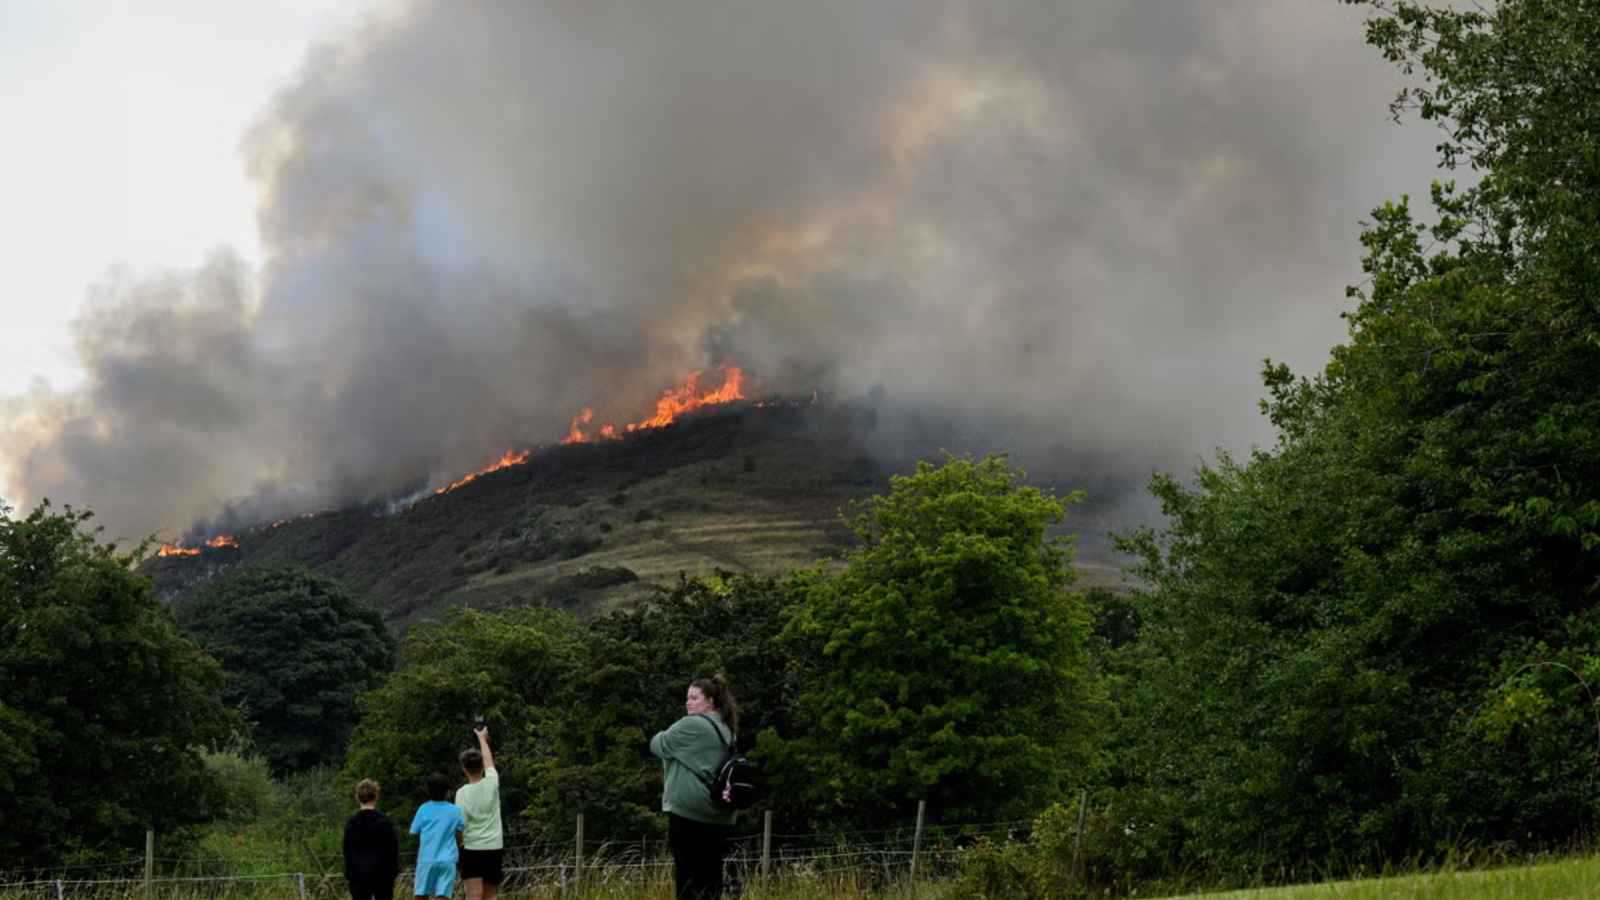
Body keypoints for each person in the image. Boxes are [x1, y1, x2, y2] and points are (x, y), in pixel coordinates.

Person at [649, 674, 739, 900]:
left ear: (710, 701)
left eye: (694, 697)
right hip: (718, 815)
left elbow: (658, 744)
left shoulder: (693, 724)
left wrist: (674, 751)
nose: (688, 702)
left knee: (687, 878)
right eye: (687, 698)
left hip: (689, 813)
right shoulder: (726, 729)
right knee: (710, 879)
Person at [455, 725, 504, 900]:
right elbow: (489, 760)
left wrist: (460, 844)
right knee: (490, 895)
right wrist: (482, 738)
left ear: (464, 769)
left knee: (474, 895)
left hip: (471, 848)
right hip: (494, 846)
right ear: (482, 766)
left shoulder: (461, 793)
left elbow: (460, 825)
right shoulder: (492, 783)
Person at [408, 772, 464, 900]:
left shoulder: (423, 809)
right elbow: (459, 833)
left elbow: (414, 831)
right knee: (443, 895)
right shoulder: (455, 810)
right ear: (447, 791)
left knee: (421, 894)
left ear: (428, 791)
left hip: (426, 858)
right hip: (448, 859)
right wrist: (460, 844)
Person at [343, 779, 400, 900]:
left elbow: (347, 852)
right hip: (383, 874)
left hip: (359, 875)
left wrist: (350, 874)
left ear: (358, 797)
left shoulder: (352, 823)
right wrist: (393, 873)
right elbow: (393, 850)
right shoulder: (385, 822)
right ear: (376, 796)